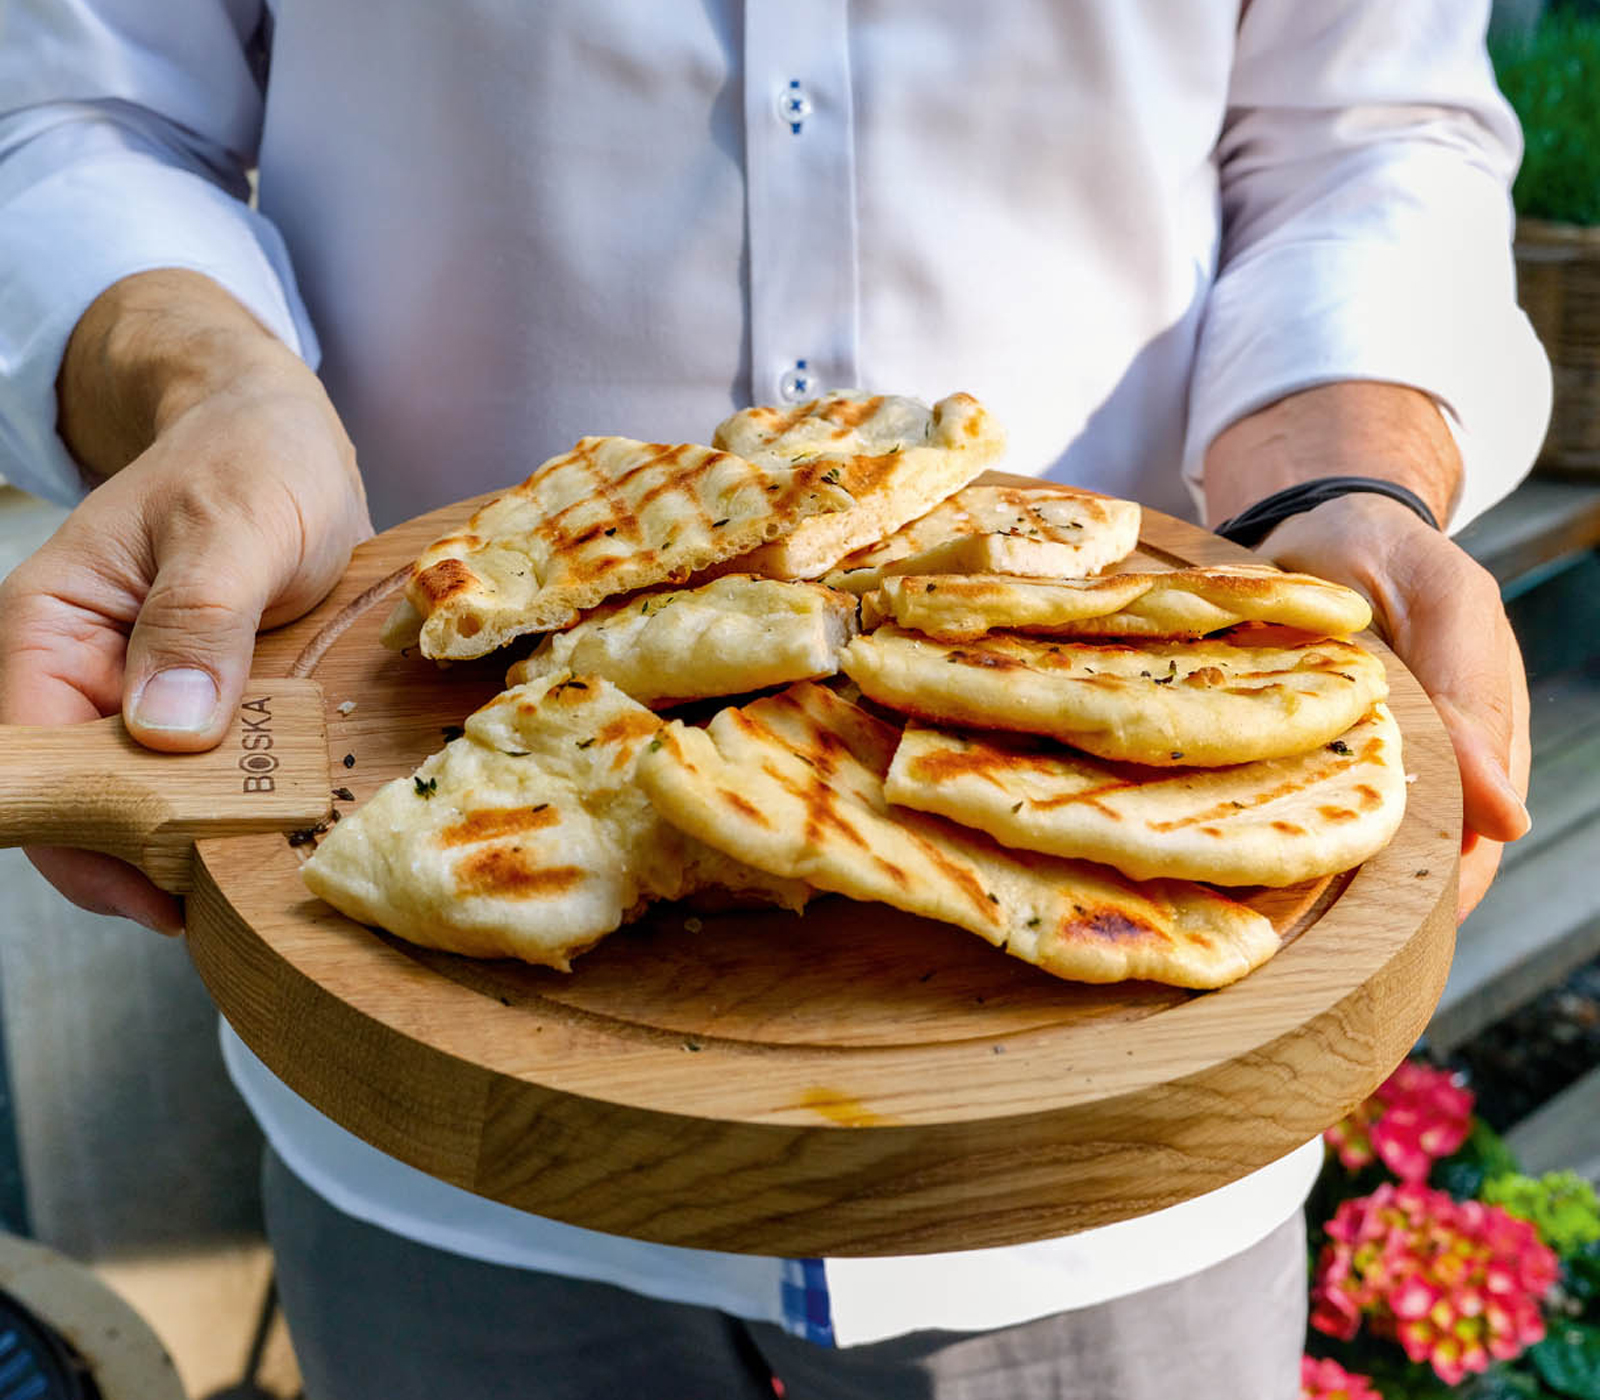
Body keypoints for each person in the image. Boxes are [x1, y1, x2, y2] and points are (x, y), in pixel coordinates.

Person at [0, 2, 1545, 1396]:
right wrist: (209, 393)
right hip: (451, 1071)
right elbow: (84, 113)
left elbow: (1368, 134)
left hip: (1094, 1138)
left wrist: (1343, 481)